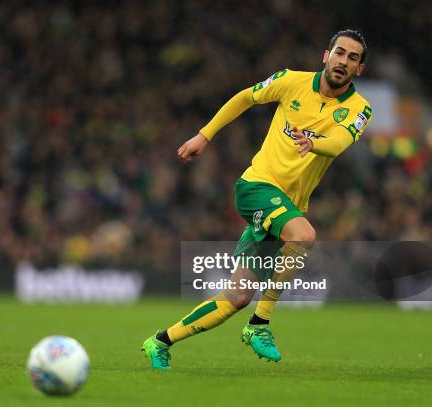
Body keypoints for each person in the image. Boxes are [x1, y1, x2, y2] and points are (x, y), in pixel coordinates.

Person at [142, 29, 373, 369]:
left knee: (236, 296)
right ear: (326, 56)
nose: (343, 61)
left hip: (285, 209)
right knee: (304, 235)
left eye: (353, 58)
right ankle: (259, 325)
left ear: (359, 70)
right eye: (339, 53)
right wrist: (204, 135)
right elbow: (244, 98)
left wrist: (315, 143)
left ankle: (160, 341)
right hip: (256, 188)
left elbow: (338, 143)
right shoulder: (290, 81)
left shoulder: (360, 109)